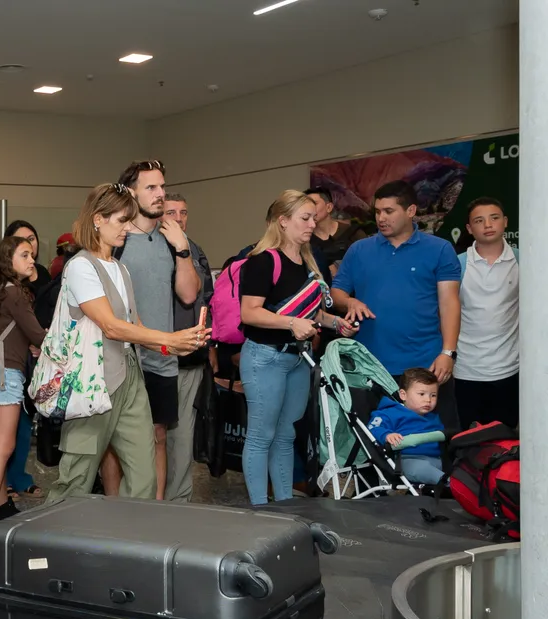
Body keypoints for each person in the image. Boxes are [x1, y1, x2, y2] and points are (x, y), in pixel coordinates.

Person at [47, 183, 207, 502]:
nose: (127, 229)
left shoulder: (119, 268)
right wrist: (169, 339)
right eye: (122, 221)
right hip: (91, 381)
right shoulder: (80, 267)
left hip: (129, 378)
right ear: (98, 219)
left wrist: (171, 347)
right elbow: (111, 326)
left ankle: (126, 540)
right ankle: (49, 546)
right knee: (76, 478)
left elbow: (135, 325)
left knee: (144, 476)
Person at [239, 190, 356, 506]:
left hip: (296, 359)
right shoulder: (263, 262)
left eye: (313, 218)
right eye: (305, 218)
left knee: (287, 435)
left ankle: (285, 505)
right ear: (283, 221)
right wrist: (291, 324)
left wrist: (335, 323)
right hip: (265, 357)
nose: (311, 224)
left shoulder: (306, 262)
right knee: (261, 436)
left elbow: (311, 312)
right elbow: (249, 312)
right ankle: (260, 508)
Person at [331, 180, 462, 430]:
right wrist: (349, 301)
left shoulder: (439, 249)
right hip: (371, 366)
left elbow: (450, 303)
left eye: (389, 211)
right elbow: (336, 292)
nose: (381, 218)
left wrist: (448, 353)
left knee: (437, 441)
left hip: (426, 365)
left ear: (411, 211)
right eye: (378, 211)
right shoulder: (359, 250)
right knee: (376, 441)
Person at [111, 160, 202, 501]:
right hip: (120, 358)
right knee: (115, 441)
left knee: (158, 435)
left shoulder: (172, 238)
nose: (161, 194)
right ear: (131, 192)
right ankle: (113, 511)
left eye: (162, 186)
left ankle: (156, 514)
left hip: (161, 357)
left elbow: (189, 294)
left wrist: (182, 249)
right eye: (151, 187)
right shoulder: (116, 238)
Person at [0, 235, 46, 541]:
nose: (31, 260)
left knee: (0, 445)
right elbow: (37, 333)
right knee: (3, 446)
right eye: (24, 255)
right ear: (9, 261)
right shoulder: (15, 293)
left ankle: (1, 504)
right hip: (5, 374)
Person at [162, 192, 214, 502]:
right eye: (171, 212)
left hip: (191, 357)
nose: (179, 218)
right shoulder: (147, 249)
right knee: (154, 438)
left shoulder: (195, 250)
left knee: (181, 438)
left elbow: (203, 298)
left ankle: (178, 503)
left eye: (183, 212)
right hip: (156, 354)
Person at [455, 197, 519, 429]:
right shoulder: (457, 264)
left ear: (505, 222)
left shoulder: (524, 261)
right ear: (470, 229)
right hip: (466, 369)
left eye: (494, 218)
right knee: (469, 443)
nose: (488, 225)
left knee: (507, 442)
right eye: (479, 221)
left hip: (510, 368)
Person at [0, 219, 47, 500]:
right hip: (9, 364)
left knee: (25, 422)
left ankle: (18, 478)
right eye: (21, 245)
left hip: (33, 362)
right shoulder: (7, 286)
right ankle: (1, 489)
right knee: (3, 433)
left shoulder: (41, 275)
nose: (29, 247)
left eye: (32, 239)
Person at [368, 367, 446, 485]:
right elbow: (372, 428)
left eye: (433, 395)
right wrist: (387, 434)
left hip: (436, 459)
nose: (428, 400)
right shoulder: (390, 412)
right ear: (403, 395)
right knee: (426, 471)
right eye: (422, 394)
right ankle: (451, 485)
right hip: (407, 459)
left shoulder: (433, 417)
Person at [306, 187, 366, 281]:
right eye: (305, 205)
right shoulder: (305, 239)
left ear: (329, 207)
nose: (309, 209)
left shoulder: (353, 233)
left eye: (314, 203)